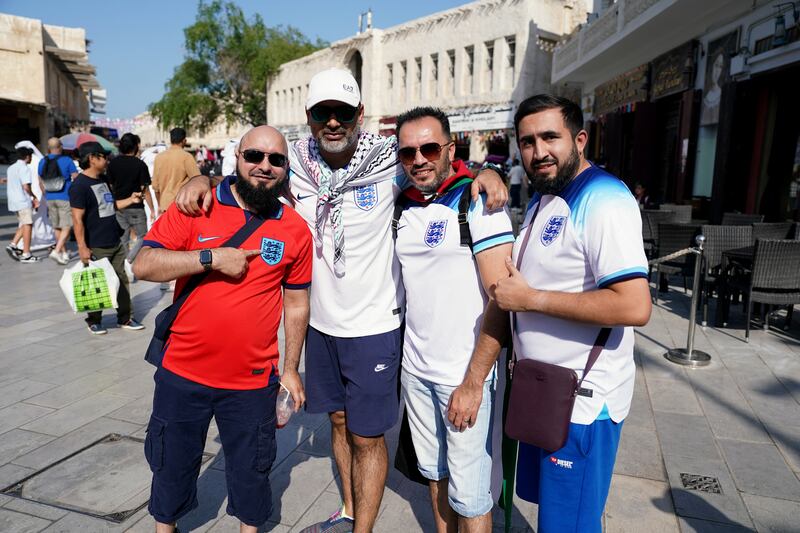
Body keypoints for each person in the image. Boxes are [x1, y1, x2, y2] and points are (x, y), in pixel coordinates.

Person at [175, 68, 507, 533]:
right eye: (323, 113)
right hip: (320, 325)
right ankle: (350, 510)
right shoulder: (298, 167)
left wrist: (484, 171)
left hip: (374, 326)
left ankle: (362, 530)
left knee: (367, 436)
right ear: (309, 117)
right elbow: (252, 175)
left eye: (343, 113)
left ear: (360, 115)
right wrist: (205, 180)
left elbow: (435, 166)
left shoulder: (390, 161)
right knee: (336, 421)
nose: (333, 122)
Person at [133, 125, 312, 533]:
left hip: (251, 383)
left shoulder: (295, 230)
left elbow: (297, 302)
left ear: (285, 169)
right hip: (182, 373)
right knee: (171, 467)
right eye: (254, 156)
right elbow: (143, 264)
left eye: (276, 160)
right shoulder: (198, 205)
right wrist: (211, 258)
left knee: (252, 474)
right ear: (238, 158)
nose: (264, 167)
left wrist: (290, 368)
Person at [493, 94, 651, 533]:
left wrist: (531, 300)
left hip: (582, 403)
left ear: (579, 139)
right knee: (555, 518)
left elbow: (633, 305)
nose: (538, 151)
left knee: (571, 525)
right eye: (527, 141)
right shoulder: (548, 196)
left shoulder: (604, 199)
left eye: (550, 137)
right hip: (544, 394)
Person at [394, 107, 513, 532]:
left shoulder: (478, 202)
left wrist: (474, 382)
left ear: (450, 148)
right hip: (417, 371)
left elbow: (503, 298)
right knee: (436, 476)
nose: (419, 159)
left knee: (472, 494)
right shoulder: (403, 204)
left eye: (429, 148)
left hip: (464, 374)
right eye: (408, 152)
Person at [69, 142, 146, 335]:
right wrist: (82, 247)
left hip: (114, 240)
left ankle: (125, 317)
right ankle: (94, 320)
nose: (106, 159)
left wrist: (131, 199)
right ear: (92, 159)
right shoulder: (79, 186)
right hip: (95, 243)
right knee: (96, 283)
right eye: (103, 156)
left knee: (121, 279)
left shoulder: (102, 180)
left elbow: (110, 206)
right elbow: (77, 219)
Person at [107, 133, 154, 261]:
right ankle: (129, 260)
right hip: (136, 206)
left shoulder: (112, 164)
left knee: (123, 237)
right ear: (135, 147)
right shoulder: (140, 165)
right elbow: (146, 189)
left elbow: (110, 187)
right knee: (143, 236)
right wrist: (152, 209)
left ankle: (125, 263)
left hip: (119, 206)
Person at [39, 137, 79, 264]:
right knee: (67, 226)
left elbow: (40, 179)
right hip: (65, 197)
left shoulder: (42, 161)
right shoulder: (67, 160)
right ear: (60, 147)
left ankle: (64, 253)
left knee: (57, 227)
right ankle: (56, 251)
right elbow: (76, 178)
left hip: (50, 197)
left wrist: (45, 194)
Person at [14, 140, 56, 252]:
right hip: (37, 195)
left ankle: (24, 244)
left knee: (30, 220)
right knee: (37, 219)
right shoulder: (38, 161)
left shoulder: (29, 162)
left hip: (33, 195)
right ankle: (47, 241)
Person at [152, 128, 201, 216]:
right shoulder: (186, 157)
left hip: (165, 206)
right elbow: (198, 180)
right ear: (184, 141)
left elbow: (155, 187)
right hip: (181, 206)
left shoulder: (159, 157)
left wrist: (159, 204)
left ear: (171, 140)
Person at [5, 147, 40, 263]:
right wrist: (34, 197)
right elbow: (26, 186)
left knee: (24, 224)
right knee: (28, 225)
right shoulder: (24, 168)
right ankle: (26, 254)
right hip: (23, 201)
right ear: (27, 157)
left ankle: (13, 244)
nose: (31, 159)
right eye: (30, 156)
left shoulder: (11, 168)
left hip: (13, 202)